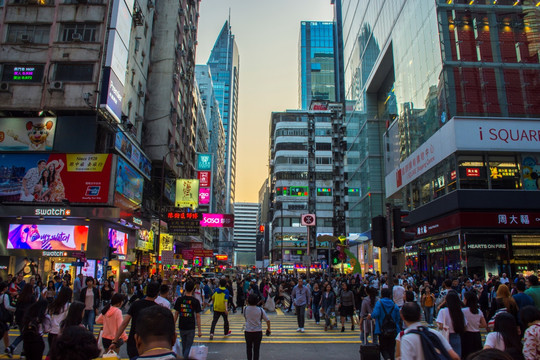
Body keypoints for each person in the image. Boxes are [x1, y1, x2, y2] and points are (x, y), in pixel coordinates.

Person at [109, 281, 160, 359]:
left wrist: (115, 341)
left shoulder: (136, 304)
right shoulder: (157, 309)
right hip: (149, 344)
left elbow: (124, 323)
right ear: (157, 294)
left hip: (133, 342)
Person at [173, 280, 202, 359]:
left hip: (181, 326)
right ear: (193, 289)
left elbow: (176, 314)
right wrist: (199, 330)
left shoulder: (179, 300)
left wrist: (172, 326)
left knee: (184, 345)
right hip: (191, 326)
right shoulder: (195, 301)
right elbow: (198, 316)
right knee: (188, 346)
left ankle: (184, 357)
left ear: (185, 288)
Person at [370, 288, 401, 360]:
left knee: (383, 348)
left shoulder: (379, 303)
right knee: (392, 349)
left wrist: (370, 316)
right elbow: (398, 318)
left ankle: (387, 358)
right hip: (393, 330)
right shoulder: (394, 304)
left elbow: (375, 314)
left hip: (382, 329)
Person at [6, 283, 36, 356]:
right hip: (27, 319)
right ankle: (14, 347)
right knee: (25, 335)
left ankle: (21, 351)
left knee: (24, 335)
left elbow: (16, 306)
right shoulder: (32, 298)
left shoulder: (20, 297)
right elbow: (34, 309)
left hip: (19, 318)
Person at [436, 290, 466, 358]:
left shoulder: (443, 311)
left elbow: (440, 326)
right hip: (456, 336)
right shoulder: (460, 312)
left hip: (445, 336)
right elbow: (464, 326)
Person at [244, 294, 271, 360]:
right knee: (256, 349)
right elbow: (267, 320)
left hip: (248, 331)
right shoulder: (260, 310)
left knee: (248, 348)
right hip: (258, 332)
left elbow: (246, 318)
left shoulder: (245, 309)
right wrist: (268, 328)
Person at [462, 291, 488, 358]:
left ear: (467, 300)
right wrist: (476, 325)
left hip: (466, 335)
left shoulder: (463, 311)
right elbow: (484, 324)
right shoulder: (478, 311)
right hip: (477, 335)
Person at [46, 286, 72, 354]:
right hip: (62, 332)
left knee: (52, 353)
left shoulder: (53, 305)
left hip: (52, 332)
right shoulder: (68, 306)